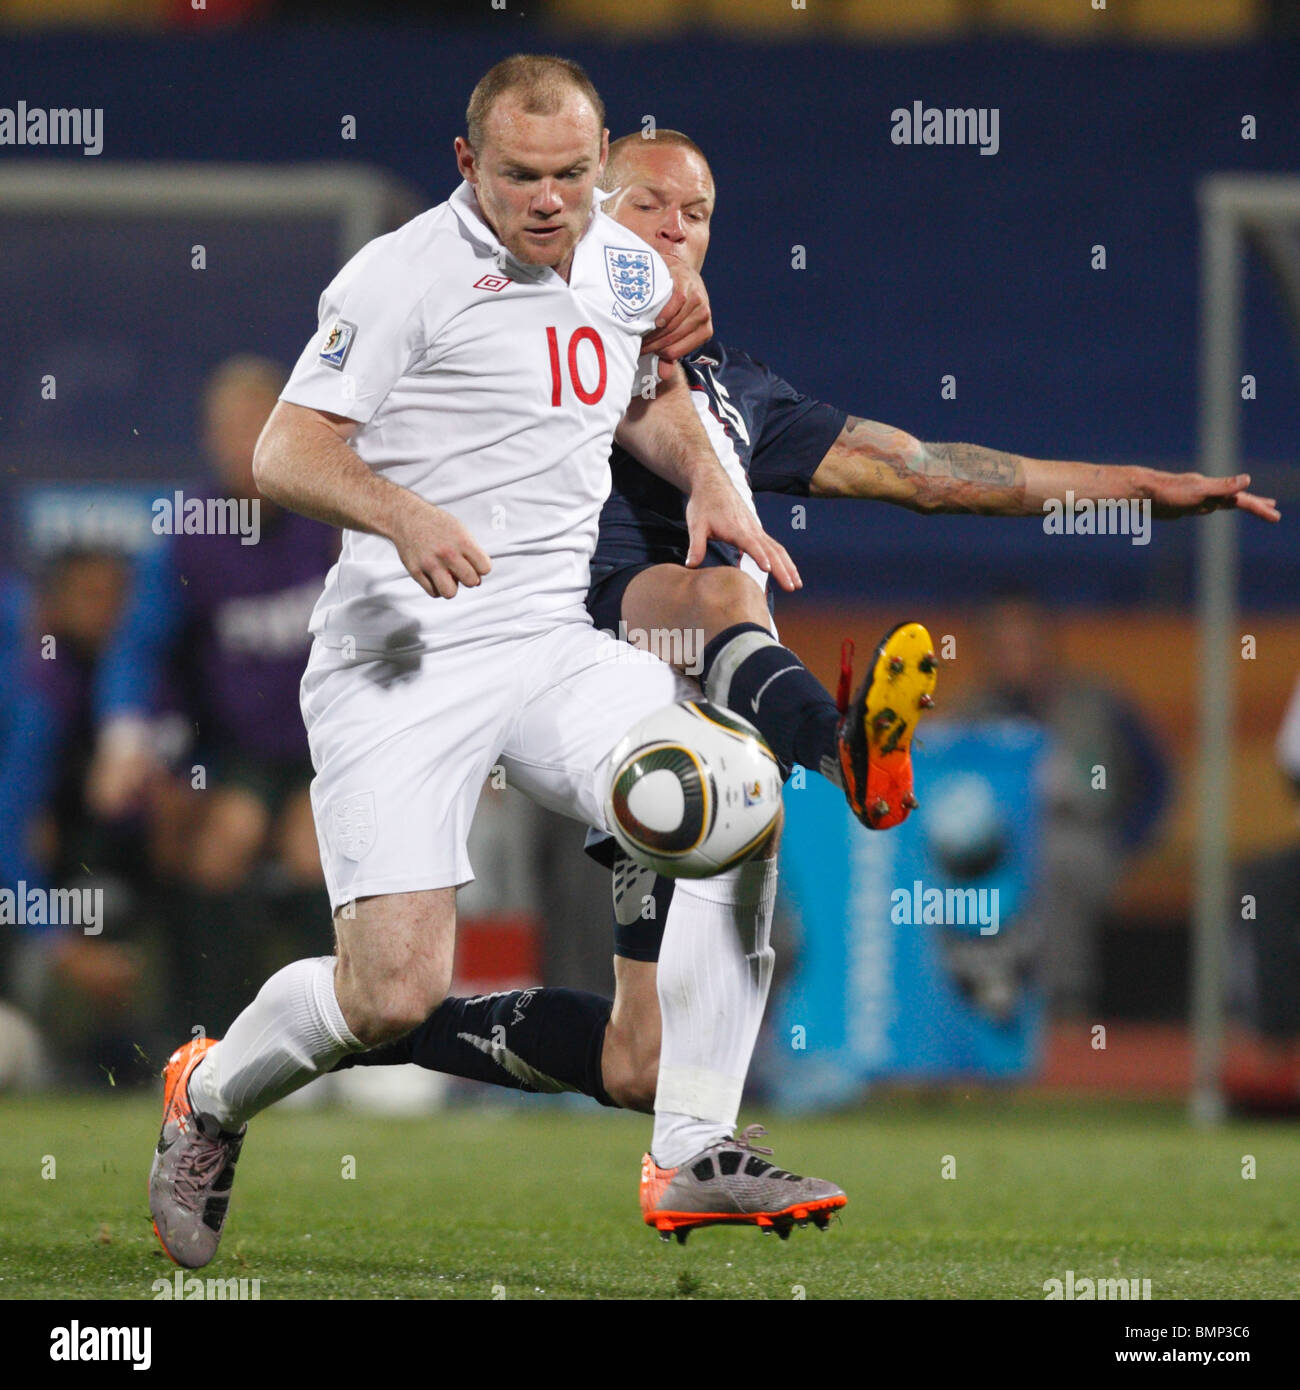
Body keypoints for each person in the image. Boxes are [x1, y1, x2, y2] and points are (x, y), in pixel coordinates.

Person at [341, 129, 1280, 1219]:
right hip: (582, 664)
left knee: (636, 1060)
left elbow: (924, 471)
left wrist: (1129, 487)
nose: (675, 227)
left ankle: (372, 1030)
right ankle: (839, 747)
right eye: (648, 203)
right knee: (727, 587)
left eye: (697, 213)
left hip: (691, 731)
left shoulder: (743, 393)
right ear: (589, 208)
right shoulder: (544, 339)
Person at [147, 54, 831, 1271]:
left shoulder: (621, 262)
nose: (550, 200)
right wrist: (401, 513)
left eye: (574, 173)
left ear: (602, 156)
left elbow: (645, 398)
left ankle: (693, 1149)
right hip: (399, 657)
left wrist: (716, 483)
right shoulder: (403, 274)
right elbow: (283, 451)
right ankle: (205, 1099)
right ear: (470, 164)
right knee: (392, 994)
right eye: (521, 176)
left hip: (544, 644)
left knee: (735, 794)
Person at [87, 356, 338, 1038]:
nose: (240, 446)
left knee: (316, 851)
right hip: (241, 751)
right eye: (225, 431)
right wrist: (124, 740)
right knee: (221, 844)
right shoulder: (191, 532)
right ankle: (211, 1042)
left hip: (334, 744)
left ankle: (337, 1041)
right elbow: (139, 645)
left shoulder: (330, 509)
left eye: (255, 427)